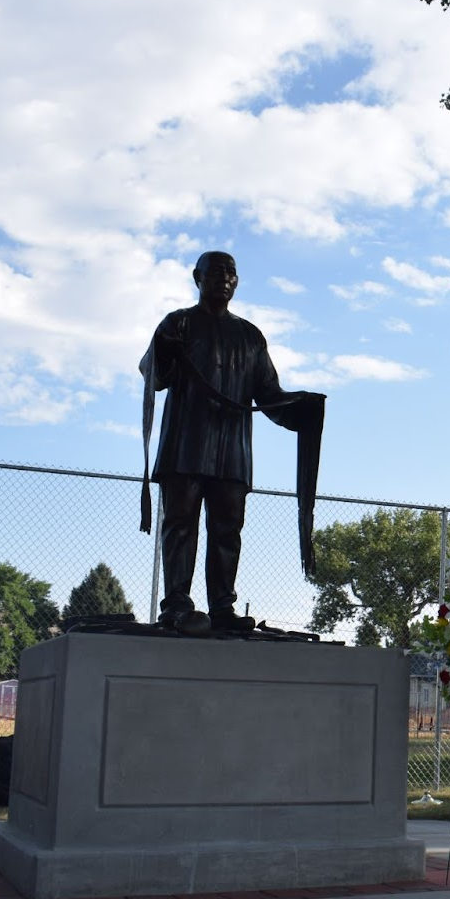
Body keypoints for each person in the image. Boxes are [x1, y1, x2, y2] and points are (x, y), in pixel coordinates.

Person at [138, 251, 324, 636]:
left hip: (232, 452)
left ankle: (222, 605)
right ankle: (176, 602)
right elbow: (154, 374)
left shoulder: (250, 336)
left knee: (227, 529)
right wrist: (164, 349)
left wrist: (299, 405)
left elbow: (268, 394)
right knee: (180, 524)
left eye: (232, 273)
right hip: (185, 446)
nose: (225, 278)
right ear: (197, 277)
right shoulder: (179, 322)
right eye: (217, 271)